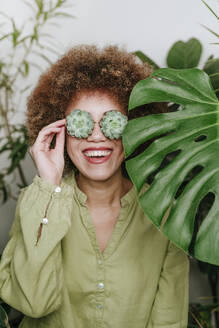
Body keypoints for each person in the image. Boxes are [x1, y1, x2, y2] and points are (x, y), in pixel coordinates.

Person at [0, 45, 189, 328]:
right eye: (81, 123)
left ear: (135, 128)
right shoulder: (36, 203)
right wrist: (49, 185)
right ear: (59, 130)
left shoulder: (163, 211)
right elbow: (33, 304)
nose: (97, 136)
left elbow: (169, 321)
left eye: (112, 122)